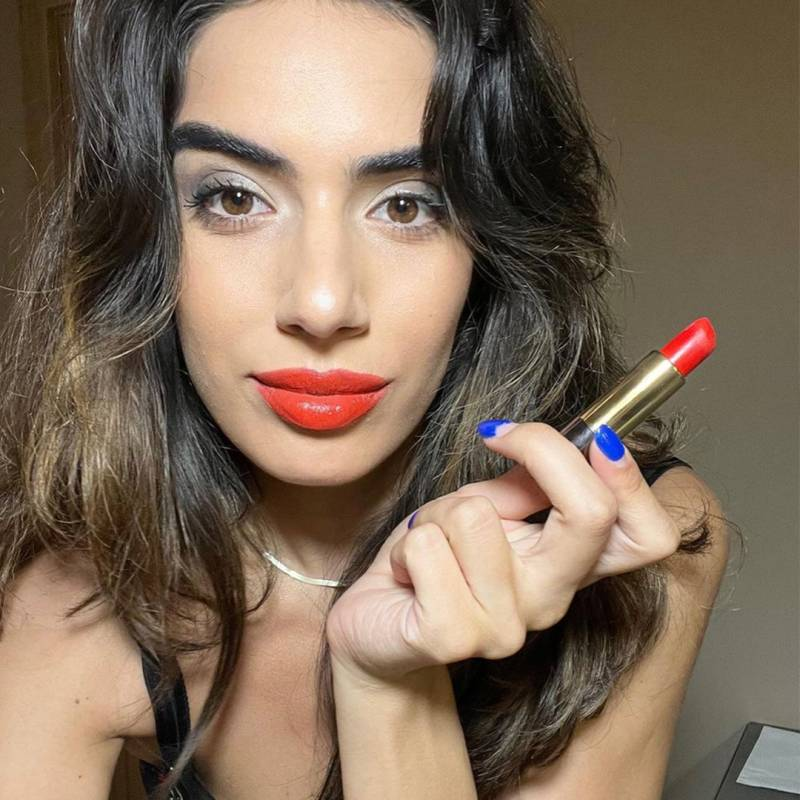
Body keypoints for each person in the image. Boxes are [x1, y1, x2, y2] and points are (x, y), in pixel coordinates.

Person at [0, 1, 737, 798]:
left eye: (408, 204)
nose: (322, 304)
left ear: (491, 246)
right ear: (144, 234)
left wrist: (388, 687)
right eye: (235, 198)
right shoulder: (71, 593)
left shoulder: (643, 544)